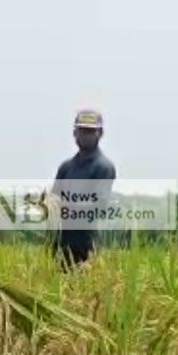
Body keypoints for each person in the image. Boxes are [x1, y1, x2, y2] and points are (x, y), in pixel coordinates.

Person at [51, 110, 116, 267]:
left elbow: (100, 207)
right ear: (74, 133)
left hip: (86, 247)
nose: (85, 135)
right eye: (82, 130)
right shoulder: (66, 167)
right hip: (61, 245)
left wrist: (67, 206)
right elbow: (53, 200)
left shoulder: (103, 167)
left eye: (90, 131)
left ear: (100, 133)